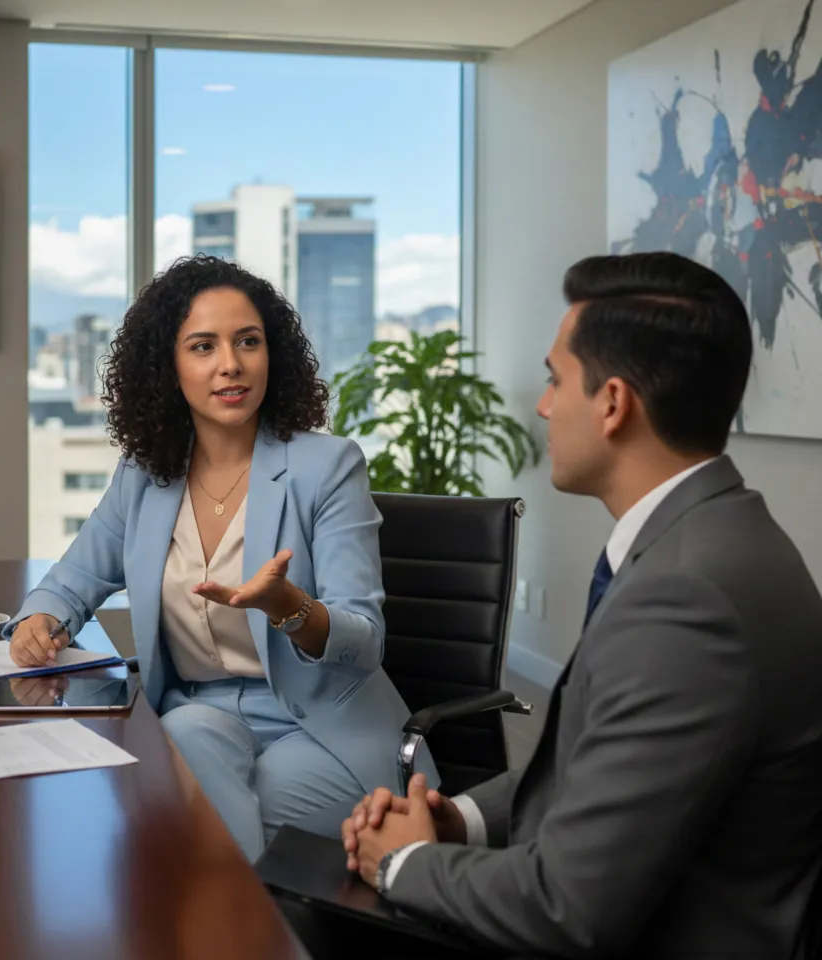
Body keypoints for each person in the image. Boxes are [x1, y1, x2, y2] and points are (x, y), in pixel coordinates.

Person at [342, 251, 822, 957]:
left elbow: (567, 908)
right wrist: (459, 821)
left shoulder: (685, 602)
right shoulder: (713, 538)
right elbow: (597, 772)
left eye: (554, 378)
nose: (541, 404)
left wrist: (403, 861)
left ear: (613, 403)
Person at [7, 255, 437, 862]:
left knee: (200, 811)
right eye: (203, 346)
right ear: (169, 367)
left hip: (320, 727)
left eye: (248, 342)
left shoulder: (328, 467)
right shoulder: (144, 476)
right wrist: (39, 619)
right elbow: (75, 577)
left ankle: (218, 926)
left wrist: (289, 608)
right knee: (185, 740)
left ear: (272, 355)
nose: (230, 364)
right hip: (202, 712)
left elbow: (364, 642)